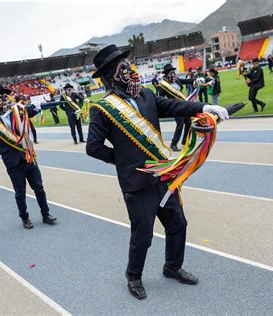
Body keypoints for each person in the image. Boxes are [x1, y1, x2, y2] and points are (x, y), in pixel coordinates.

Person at [86, 44, 228, 300]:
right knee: (143, 237)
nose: (130, 70)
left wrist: (205, 108)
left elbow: (174, 107)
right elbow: (93, 148)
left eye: (128, 65)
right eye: (123, 67)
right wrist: (125, 162)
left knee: (178, 224)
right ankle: (134, 276)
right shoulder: (102, 109)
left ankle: (172, 267)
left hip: (164, 177)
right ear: (111, 76)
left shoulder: (146, 95)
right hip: (137, 185)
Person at [0, 84, 57, 229]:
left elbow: (32, 110)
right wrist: (2, 152)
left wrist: (40, 105)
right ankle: (25, 218)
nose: (2, 101)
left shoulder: (18, 110)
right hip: (12, 162)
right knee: (20, 192)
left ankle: (45, 214)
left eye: (4, 97)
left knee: (39, 188)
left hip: (28, 156)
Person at [157, 63, 196, 151]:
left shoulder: (177, 80)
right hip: (175, 107)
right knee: (180, 124)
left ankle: (185, 141)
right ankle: (173, 144)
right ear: (166, 74)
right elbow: (161, 98)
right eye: (171, 72)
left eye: (173, 71)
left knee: (189, 123)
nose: (173, 73)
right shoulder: (163, 85)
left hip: (183, 104)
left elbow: (187, 81)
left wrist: (196, 80)